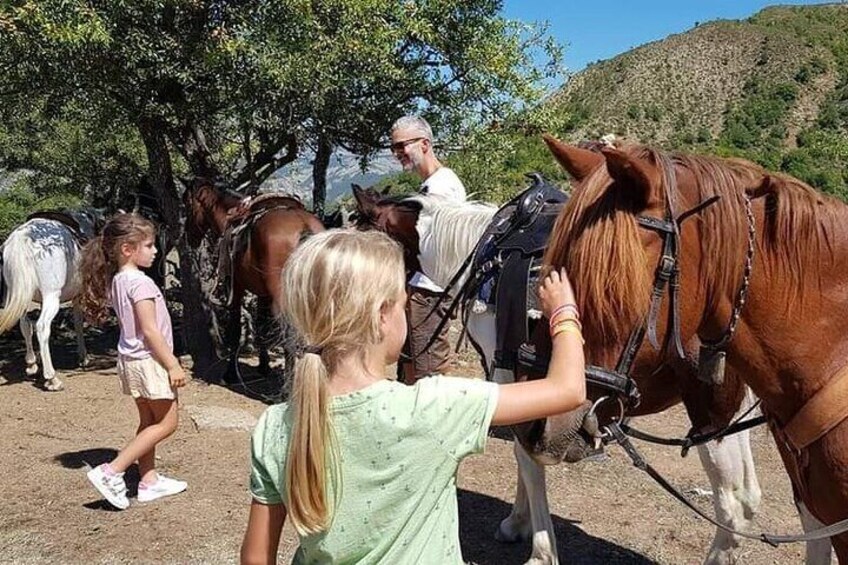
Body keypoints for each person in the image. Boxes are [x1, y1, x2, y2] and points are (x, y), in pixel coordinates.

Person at [240, 229, 585, 564]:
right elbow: (568, 390)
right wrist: (563, 313)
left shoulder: (276, 425)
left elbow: (256, 556)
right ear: (380, 316)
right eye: (403, 305)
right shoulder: (434, 407)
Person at [77, 213, 188, 510]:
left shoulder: (118, 281)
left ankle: (148, 480)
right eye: (149, 245)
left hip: (130, 361)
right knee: (167, 423)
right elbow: (150, 331)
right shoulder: (142, 284)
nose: (155, 251)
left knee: (148, 422)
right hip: (151, 361)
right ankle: (112, 472)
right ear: (128, 248)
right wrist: (173, 364)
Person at [389, 115, 465, 384]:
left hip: (431, 291)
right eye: (393, 148)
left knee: (429, 370)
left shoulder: (442, 188)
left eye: (401, 146)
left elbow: (436, 246)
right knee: (412, 361)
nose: (397, 153)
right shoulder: (432, 184)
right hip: (422, 288)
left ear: (424, 144)